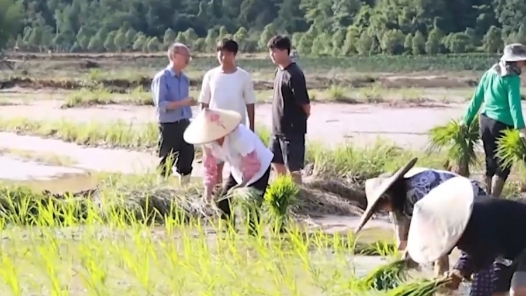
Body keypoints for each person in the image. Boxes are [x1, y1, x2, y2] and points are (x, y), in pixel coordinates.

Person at [355, 158, 495, 296]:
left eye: (381, 207)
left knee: (478, 257)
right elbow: (401, 242)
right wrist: (405, 260)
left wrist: (435, 273)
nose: (383, 210)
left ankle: (448, 290)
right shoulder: (398, 203)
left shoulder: (418, 192)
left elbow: (437, 240)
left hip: (471, 202)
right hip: (447, 212)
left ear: (387, 197)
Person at [406, 176, 526, 296]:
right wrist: (458, 271)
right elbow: (473, 251)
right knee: (496, 292)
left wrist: (459, 272)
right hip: (509, 250)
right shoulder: (460, 225)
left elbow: (483, 255)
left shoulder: (479, 218)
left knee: (518, 291)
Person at [183, 108, 273, 234]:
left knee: (250, 208)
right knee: (222, 202)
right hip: (237, 169)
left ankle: (254, 238)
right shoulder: (208, 143)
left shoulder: (239, 137)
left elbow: (254, 164)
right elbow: (209, 167)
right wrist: (207, 192)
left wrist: (242, 185)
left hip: (259, 171)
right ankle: (229, 233)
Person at [462, 43, 526, 197]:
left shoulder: (490, 73)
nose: (524, 64)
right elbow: (514, 106)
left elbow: (476, 99)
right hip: (502, 125)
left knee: (490, 161)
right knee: (503, 166)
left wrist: (465, 120)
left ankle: (486, 198)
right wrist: (521, 129)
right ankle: (494, 199)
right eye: (522, 61)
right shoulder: (511, 79)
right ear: (515, 61)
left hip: (485, 122)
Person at [199, 38, 256, 186]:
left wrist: (251, 128)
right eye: (221, 53)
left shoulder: (243, 76)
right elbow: (204, 102)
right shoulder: (210, 75)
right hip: (215, 127)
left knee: (237, 163)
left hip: (236, 127)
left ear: (234, 55)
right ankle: (217, 195)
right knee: (215, 165)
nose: (223, 57)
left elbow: (250, 102)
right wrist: (201, 127)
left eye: (227, 54)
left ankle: (235, 192)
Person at [267, 35, 311, 185]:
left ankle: (297, 198)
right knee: (276, 163)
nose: (272, 54)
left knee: (293, 169)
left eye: (275, 51)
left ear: (285, 51)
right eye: (270, 51)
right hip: (277, 129)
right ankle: (282, 194)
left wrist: (298, 121)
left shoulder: (295, 74)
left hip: (292, 131)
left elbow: (305, 104)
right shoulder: (279, 72)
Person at [151, 42, 196, 185]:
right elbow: (161, 104)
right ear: (174, 56)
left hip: (185, 123)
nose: (188, 59)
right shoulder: (162, 78)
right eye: (185, 56)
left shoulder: (184, 79)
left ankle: (184, 194)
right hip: (169, 125)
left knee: (187, 159)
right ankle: (161, 194)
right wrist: (183, 103)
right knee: (166, 161)